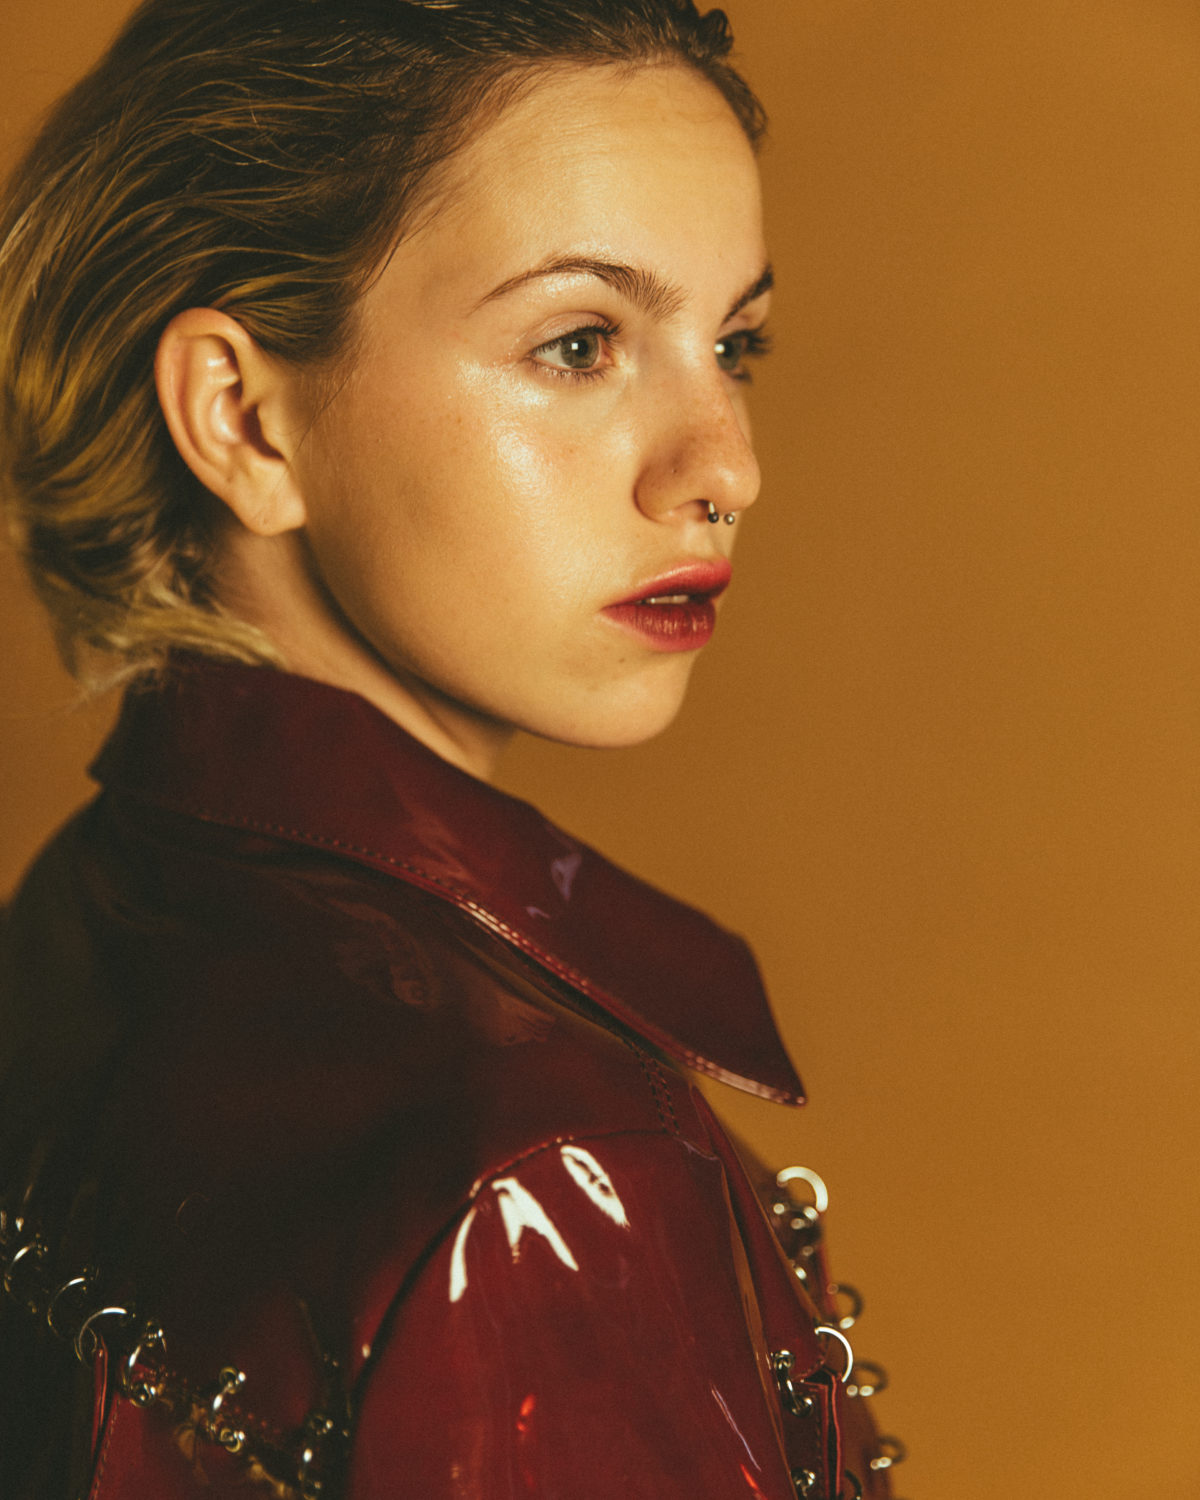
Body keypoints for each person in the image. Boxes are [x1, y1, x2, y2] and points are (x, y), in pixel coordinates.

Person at [0, 2, 905, 1496]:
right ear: (243, 419)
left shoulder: (87, 908)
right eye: (579, 344)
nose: (728, 466)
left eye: (732, 343)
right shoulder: (551, 1177)